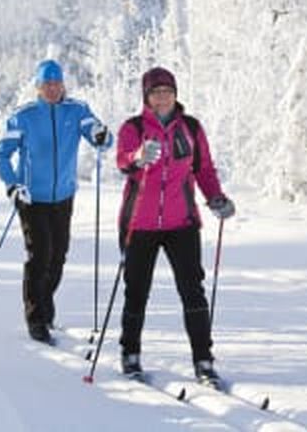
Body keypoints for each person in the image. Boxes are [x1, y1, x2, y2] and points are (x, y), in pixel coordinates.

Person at [115, 66, 236, 387]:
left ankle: (204, 360)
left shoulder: (190, 128)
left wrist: (216, 197)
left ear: (175, 94)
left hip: (182, 223)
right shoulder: (133, 127)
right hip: (139, 223)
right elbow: (123, 161)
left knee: (192, 291)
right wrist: (138, 157)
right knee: (136, 290)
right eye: (156, 92)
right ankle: (130, 354)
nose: (163, 97)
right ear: (146, 97)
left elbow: (204, 169)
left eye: (167, 91)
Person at [0, 59, 112, 344]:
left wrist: (102, 136)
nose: (52, 89)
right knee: (40, 255)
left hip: (63, 197)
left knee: (58, 256)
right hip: (31, 198)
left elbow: (101, 137)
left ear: (63, 85)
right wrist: (13, 186)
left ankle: (46, 307)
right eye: (47, 84)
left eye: (57, 83)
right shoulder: (23, 116)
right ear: (38, 87)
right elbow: (2, 155)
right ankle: (36, 318)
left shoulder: (77, 110)